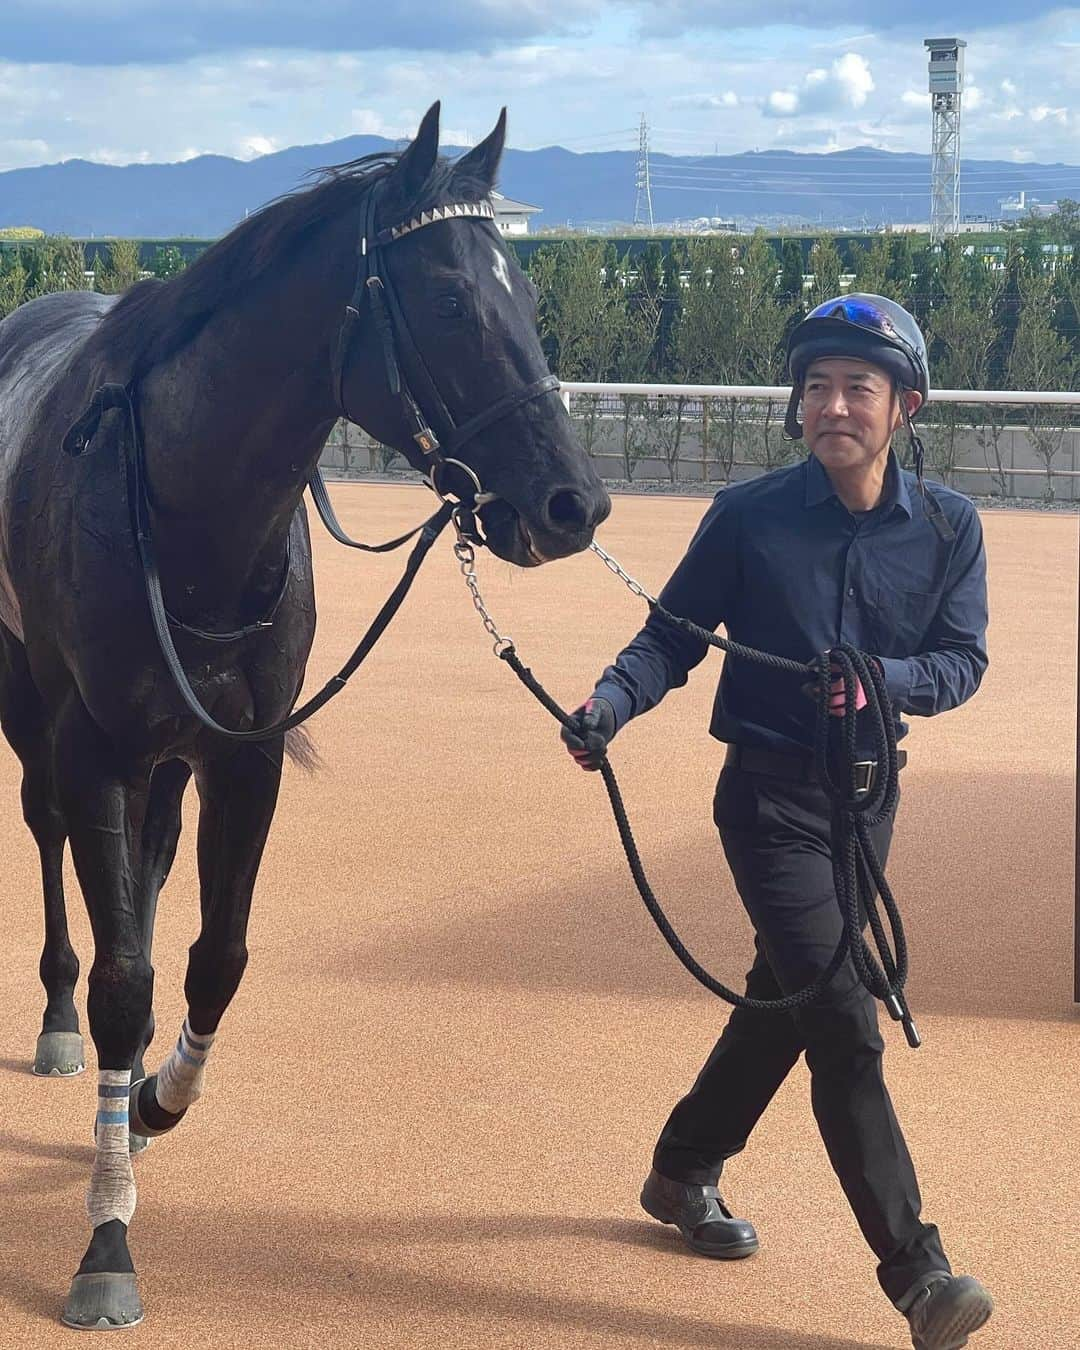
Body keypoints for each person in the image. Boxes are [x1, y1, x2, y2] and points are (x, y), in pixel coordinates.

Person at [562, 295, 993, 1350]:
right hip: (766, 801)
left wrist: (882, 680)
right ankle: (919, 1274)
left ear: (905, 407)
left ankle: (681, 1169)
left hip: (868, 800)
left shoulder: (949, 527)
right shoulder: (748, 516)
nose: (832, 405)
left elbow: (962, 661)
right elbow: (669, 637)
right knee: (841, 1019)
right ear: (796, 403)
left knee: (785, 998)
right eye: (816, 386)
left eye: (858, 388)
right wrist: (608, 706)